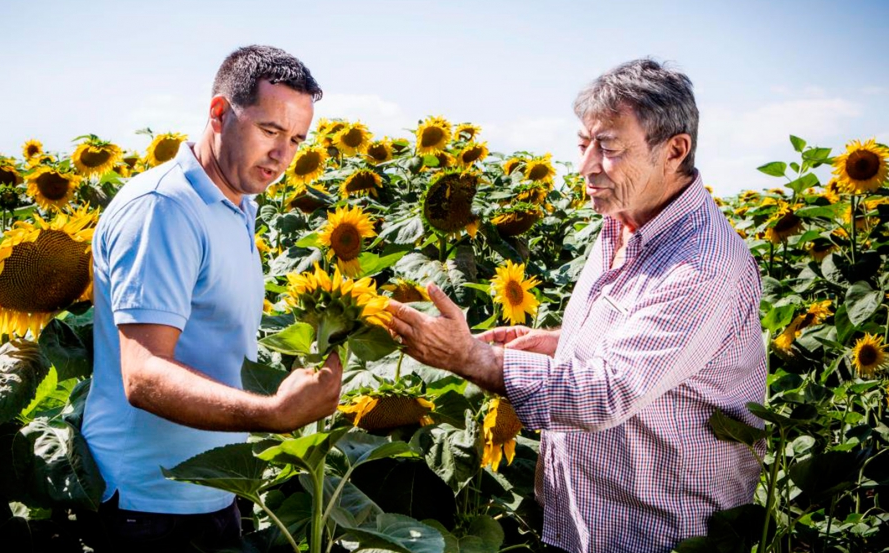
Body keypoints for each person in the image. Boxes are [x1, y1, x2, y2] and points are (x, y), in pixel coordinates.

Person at [387, 59, 766, 553]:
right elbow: (654, 356)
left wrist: (471, 358)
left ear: (674, 151)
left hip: (654, 533)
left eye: (607, 148)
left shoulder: (701, 265)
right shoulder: (622, 223)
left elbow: (607, 392)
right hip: (587, 518)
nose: (586, 166)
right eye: (583, 145)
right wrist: (562, 345)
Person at [82, 45, 342, 552]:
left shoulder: (235, 205)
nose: (284, 156)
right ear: (219, 114)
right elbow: (144, 374)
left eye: (296, 139)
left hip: (211, 490)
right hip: (150, 505)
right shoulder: (164, 209)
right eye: (270, 131)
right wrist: (272, 413)